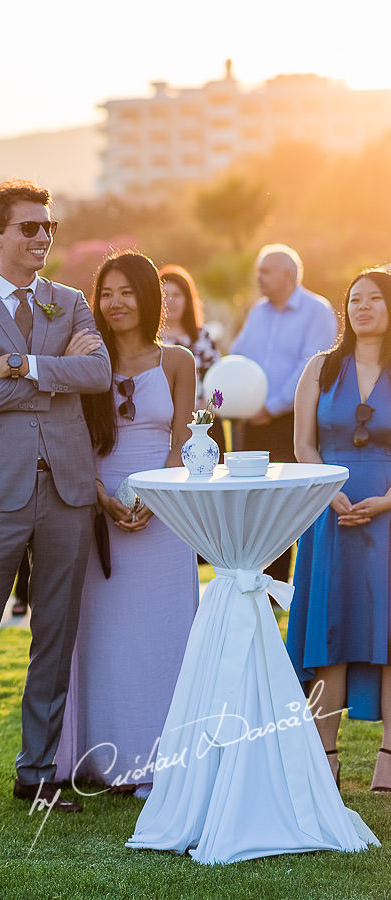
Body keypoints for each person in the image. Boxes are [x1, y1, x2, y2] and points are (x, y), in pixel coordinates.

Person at [0, 180, 111, 820]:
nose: (42, 237)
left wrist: (24, 365)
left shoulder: (70, 303)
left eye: (48, 227)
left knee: (54, 636)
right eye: (29, 227)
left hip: (66, 487)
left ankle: (38, 775)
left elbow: (97, 375)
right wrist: (52, 373)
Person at [52, 251, 198, 796]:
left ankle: (161, 759)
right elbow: (70, 441)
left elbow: (185, 440)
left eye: (126, 292)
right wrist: (102, 498)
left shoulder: (178, 361)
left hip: (166, 514)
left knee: (164, 633)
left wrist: (155, 496)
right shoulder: (87, 360)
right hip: (96, 508)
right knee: (103, 636)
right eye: (106, 293)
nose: (115, 303)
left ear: (148, 297)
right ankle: (102, 760)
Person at [287, 268, 391, 793]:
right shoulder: (321, 368)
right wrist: (328, 490)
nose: (362, 307)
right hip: (330, 510)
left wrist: (387, 501)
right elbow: (304, 444)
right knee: (330, 630)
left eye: (374, 298)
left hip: (390, 512)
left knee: (389, 632)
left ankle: (389, 759)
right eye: (354, 299)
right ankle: (324, 756)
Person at [230, 244, 338, 582]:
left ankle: (278, 581)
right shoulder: (258, 312)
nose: (258, 278)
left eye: (265, 272)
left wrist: (272, 405)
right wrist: (238, 401)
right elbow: (238, 354)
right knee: (250, 498)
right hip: (252, 421)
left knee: (285, 501)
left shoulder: (317, 311)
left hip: (292, 421)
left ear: (288, 275)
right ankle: (250, 575)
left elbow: (310, 367)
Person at [159, 264, 224, 448]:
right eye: (165, 295)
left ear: (188, 299)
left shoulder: (202, 336)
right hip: (165, 426)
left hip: (203, 423)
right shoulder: (150, 340)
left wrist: (206, 406)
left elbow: (216, 376)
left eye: (177, 295)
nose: (171, 301)